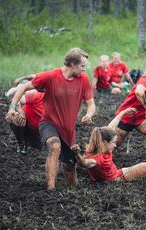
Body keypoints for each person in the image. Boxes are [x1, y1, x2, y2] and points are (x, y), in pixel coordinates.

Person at [6, 48, 95, 190]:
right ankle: (50, 189)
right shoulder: (51, 76)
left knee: (69, 169)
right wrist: (12, 108)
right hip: (49, 123)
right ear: (72, 64)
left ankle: (72, 187)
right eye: (82, 66)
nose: (84, 69)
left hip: (68, 129)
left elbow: (91, 104)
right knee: (54, 146)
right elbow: (23, 88)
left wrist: (89, 114)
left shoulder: (83, 80)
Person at [72, 108, 146, 183]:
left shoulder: (99, 145)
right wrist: (77, 154)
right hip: (116, 179)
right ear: (105, 142)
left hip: (116, 172)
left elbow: (112, 125)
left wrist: (123, 113)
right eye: (113, 142)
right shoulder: (98, 159)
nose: (115, 145)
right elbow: (84, 163)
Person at [5, 79, 44, 155]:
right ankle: (21, 144)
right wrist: (20, 111)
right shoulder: (37, 95)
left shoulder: (57, 102)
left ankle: (28, 142)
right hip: (25, 123)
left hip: (37, 129)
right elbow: (16, 100)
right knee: (15, 116)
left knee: (37, 149)